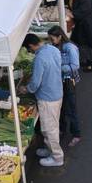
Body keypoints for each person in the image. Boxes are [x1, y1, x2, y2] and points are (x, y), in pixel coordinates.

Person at [22, 32, 64, 166]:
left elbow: (35, 83)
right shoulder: (53, 49)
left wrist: (26, 89)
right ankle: (49, 150)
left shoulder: (40, 58)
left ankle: (57, 158)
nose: (30, 52)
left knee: (48, 128)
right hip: (57, 91)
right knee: (53, 124)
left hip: (47, 98)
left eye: (29, 50)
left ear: (31, 46)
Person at [48, 26, 82, 148]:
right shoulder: (55, 47)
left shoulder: (70, 48)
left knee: (71, 109)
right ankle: (62, 130)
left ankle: (76, 134)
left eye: (52, 38)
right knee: (61, 108)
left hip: (68, 81)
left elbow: (75, 65)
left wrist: (59, 68)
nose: (51, 41)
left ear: (59, 37)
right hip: (59, 82)